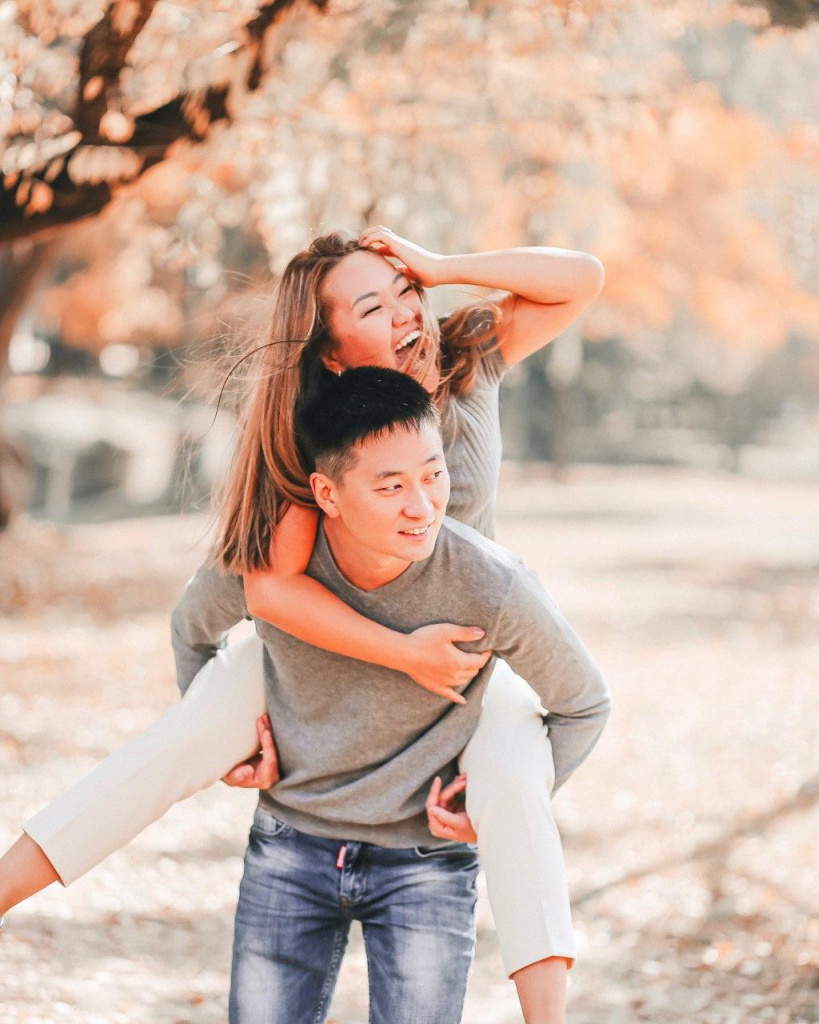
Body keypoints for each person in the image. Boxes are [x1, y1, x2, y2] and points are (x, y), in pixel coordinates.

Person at [0, 228, 607, 1023]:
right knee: (176, 743)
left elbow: (580, 276)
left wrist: (439, 267)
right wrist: (250, 726)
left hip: (459, 637)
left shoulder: (464, 357)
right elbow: (266, 593)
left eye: (402, 293)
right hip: (329, 635)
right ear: (328, 351)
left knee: (514, 782)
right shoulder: (309, 432)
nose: (404, 313)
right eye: (372, 304)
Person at [177, 365, 610, 1023]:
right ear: (328, 492)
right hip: (289, 843)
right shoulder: (269, 565)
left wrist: (492, 804)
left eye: (432, 475)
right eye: (391, 486)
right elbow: (192, 632)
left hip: (425, 865)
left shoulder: (489, 584)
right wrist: (228, 735)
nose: (422, 505)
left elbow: (582, 703)